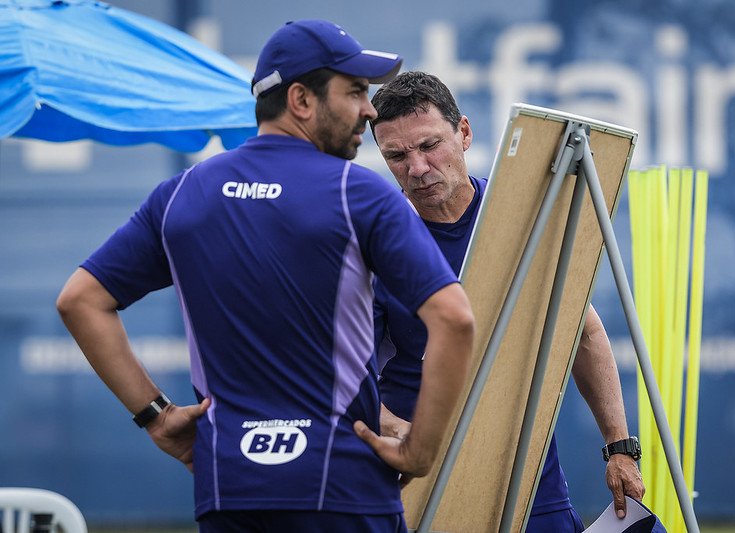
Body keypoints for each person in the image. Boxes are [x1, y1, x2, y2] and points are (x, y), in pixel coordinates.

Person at [56, 24, 474, 533]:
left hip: (230, 487)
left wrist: (157, 417)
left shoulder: (182, 194)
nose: (368, 110)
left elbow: (80, 301)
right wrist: (421, 451)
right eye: (354, 92)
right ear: (301, 100)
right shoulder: (359, 193)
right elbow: (454, 319)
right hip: (344, 485)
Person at [370, 71, 645, 531]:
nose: (416, 168)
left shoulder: (520, 217)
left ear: (463, 132)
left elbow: (582, 333)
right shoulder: (374, 243)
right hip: (424, 484)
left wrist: (619, 447)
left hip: (527, 478)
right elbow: (344, 375)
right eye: (396, 156)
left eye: (429, 145)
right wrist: (401, 433)